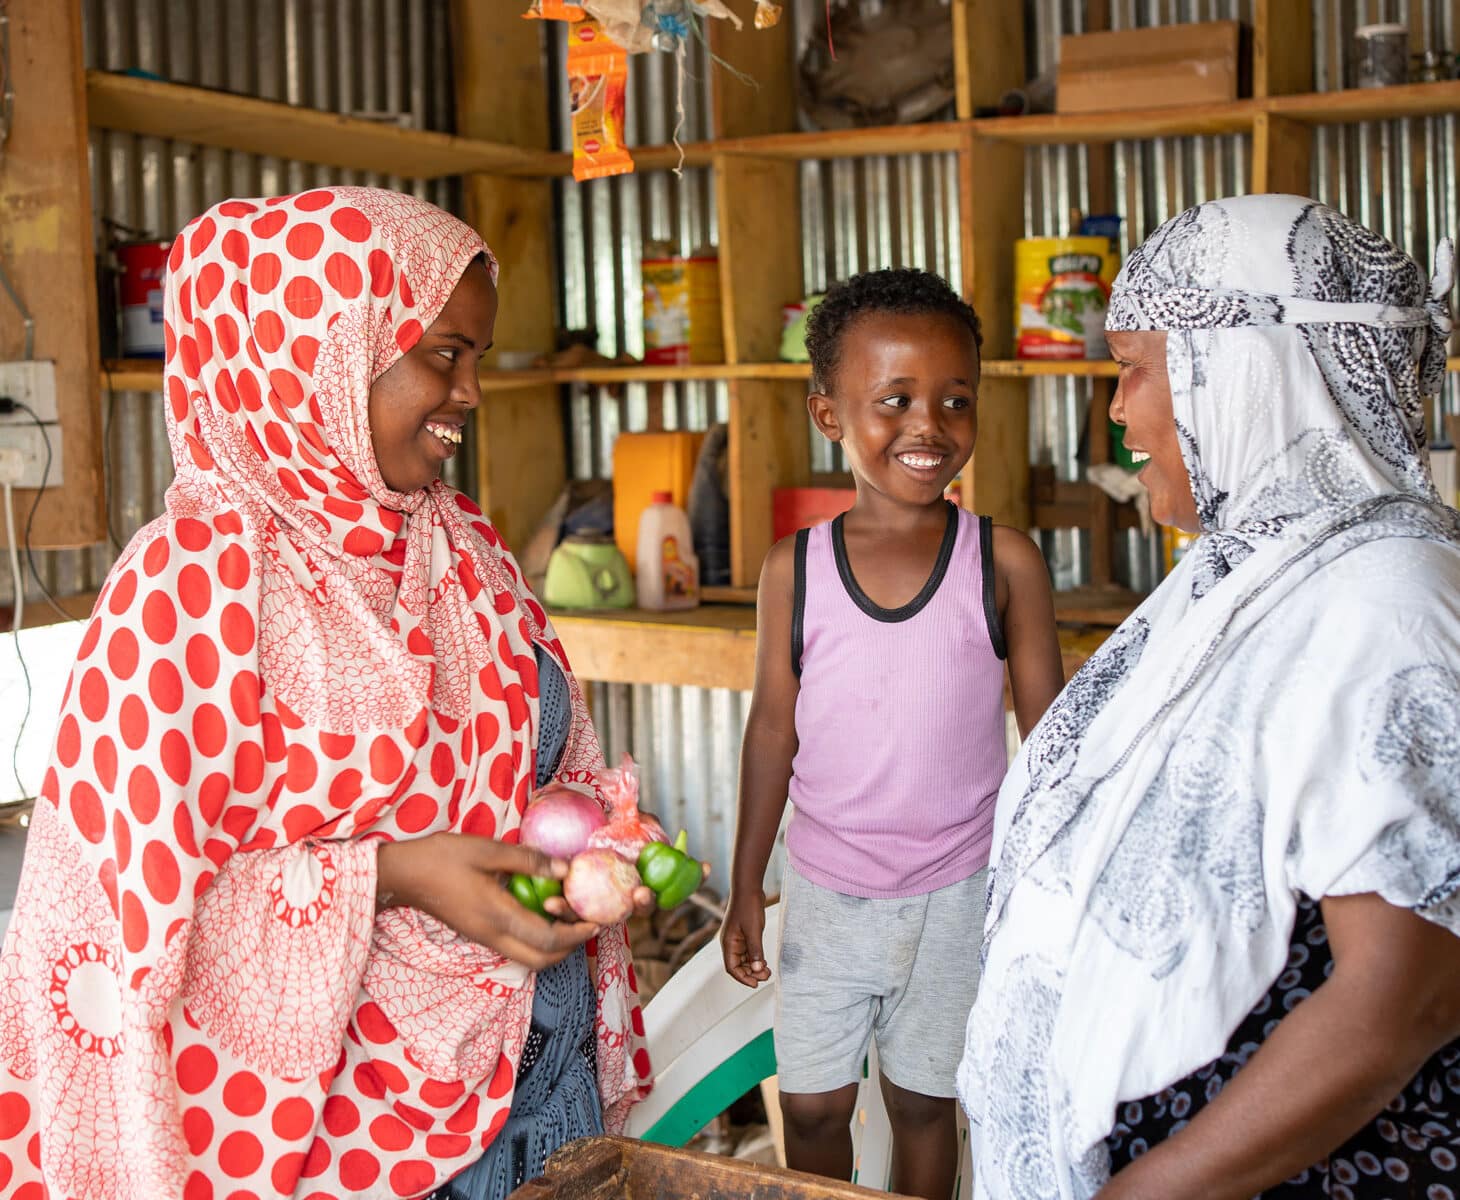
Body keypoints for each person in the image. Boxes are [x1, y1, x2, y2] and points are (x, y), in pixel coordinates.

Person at [0, 187, 652, 1200]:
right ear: (317, 349)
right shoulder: (195, 587)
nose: (469, 393)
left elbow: (541, 772)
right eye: (443, 352)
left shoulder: (459, 547)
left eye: (476, 355)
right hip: (342, 1152)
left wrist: (605, 844)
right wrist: (393, 874)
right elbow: (116, 924)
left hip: (537, 1091)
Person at [959, 194, 1460, 1200]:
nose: (1114, 409)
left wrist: (1144, 1194)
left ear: (1235, 374)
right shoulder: (1245, 574)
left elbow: (1406, 992)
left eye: (1134, 367)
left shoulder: (1388, 602)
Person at [722, 269, 1065, 1200]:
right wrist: (748, 880)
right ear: (828, 413)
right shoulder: (795, 570)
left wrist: (1048, 892)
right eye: (895, 401)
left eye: (956, 400)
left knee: (925, 1105)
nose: (930, 425)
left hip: (962, 890)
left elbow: (1057, 748)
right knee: (818, 1111)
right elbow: (771, 734)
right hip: (828, 893)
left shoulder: (1004, 562)